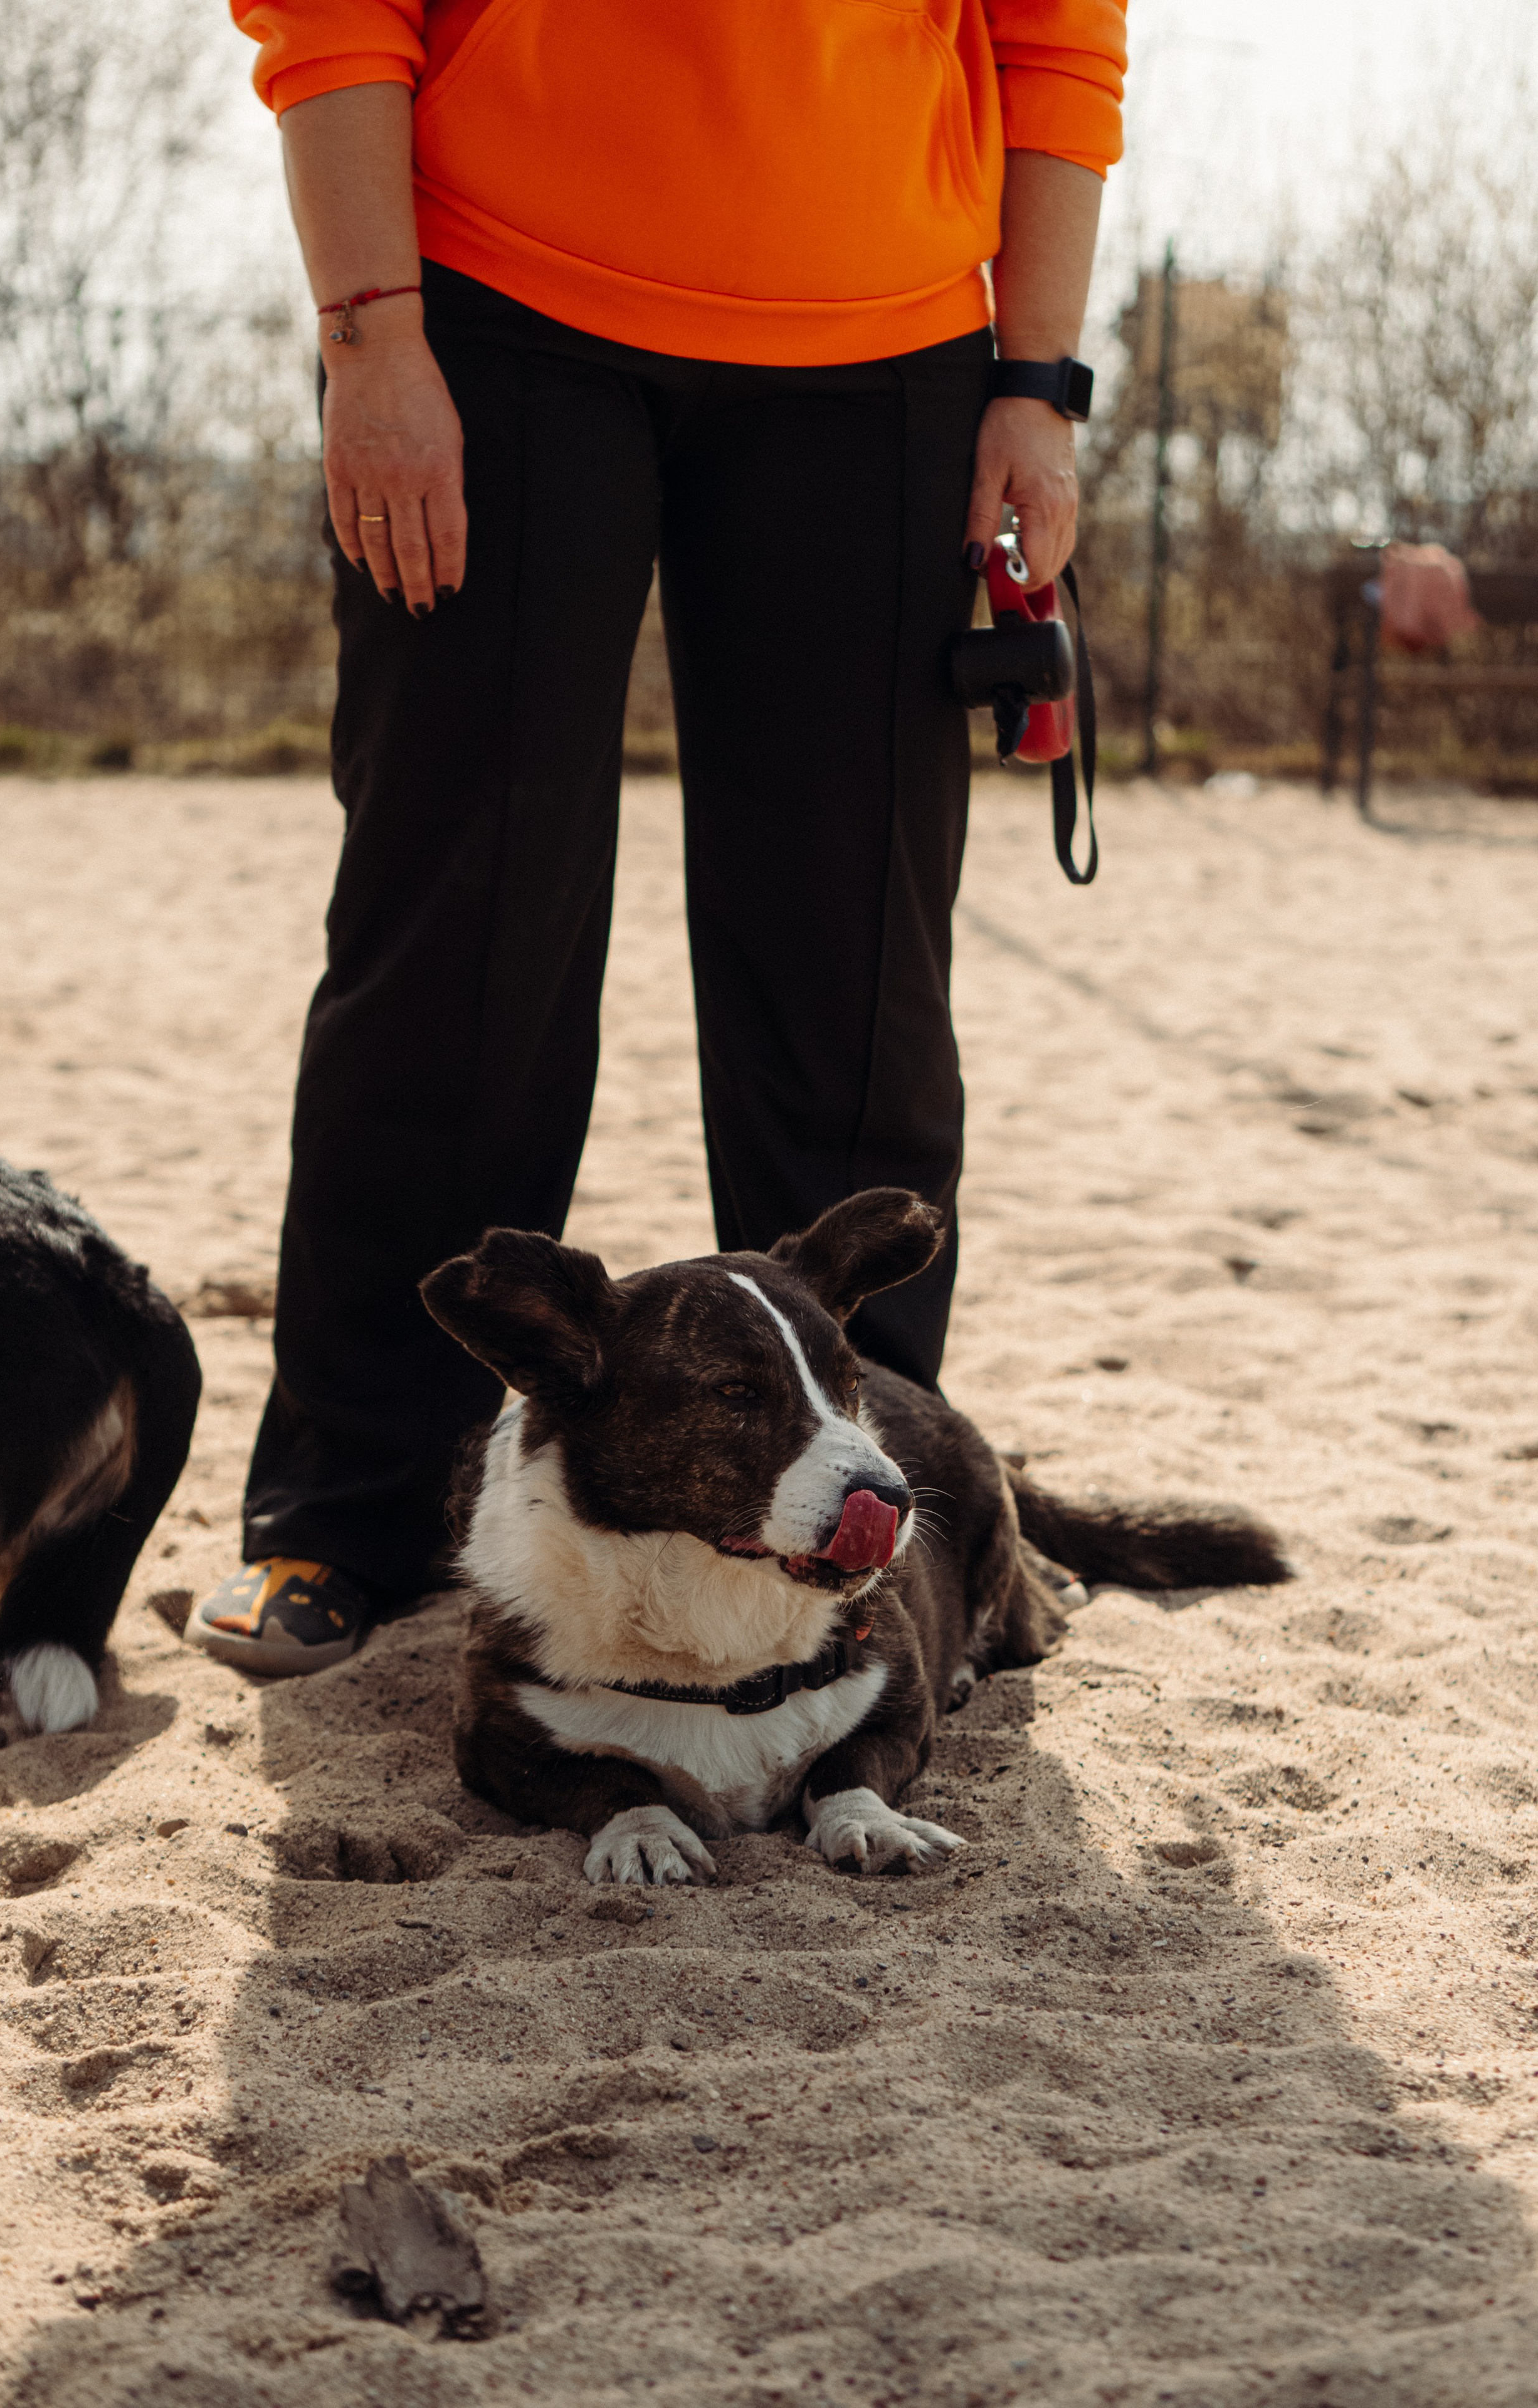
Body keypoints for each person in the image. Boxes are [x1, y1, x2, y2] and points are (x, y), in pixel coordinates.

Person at [189, 0, 1127, 1674]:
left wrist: (1038, 382)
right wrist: (368, 336)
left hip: (890, 346)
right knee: (457, 941)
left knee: (856, 990)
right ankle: (353, 1508)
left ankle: (882, 1513)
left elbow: (1061, 34)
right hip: (490, 299)